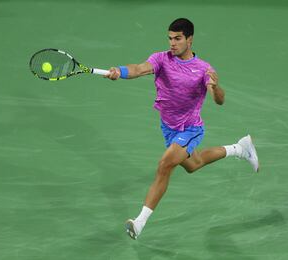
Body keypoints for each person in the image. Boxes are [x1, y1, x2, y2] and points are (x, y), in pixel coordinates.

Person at [104, 18, 259, 240]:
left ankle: (139, 223)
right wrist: (119, 71)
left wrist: (215, 88)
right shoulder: (160, 59)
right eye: (170, 38)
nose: (172, 43)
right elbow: (138, 69)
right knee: (194, 164)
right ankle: (240, 148)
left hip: (190, 129)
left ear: (189, 39)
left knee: (164, 165)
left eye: (177, 39)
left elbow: (220, 100)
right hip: (168, 128)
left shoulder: (204, 69)